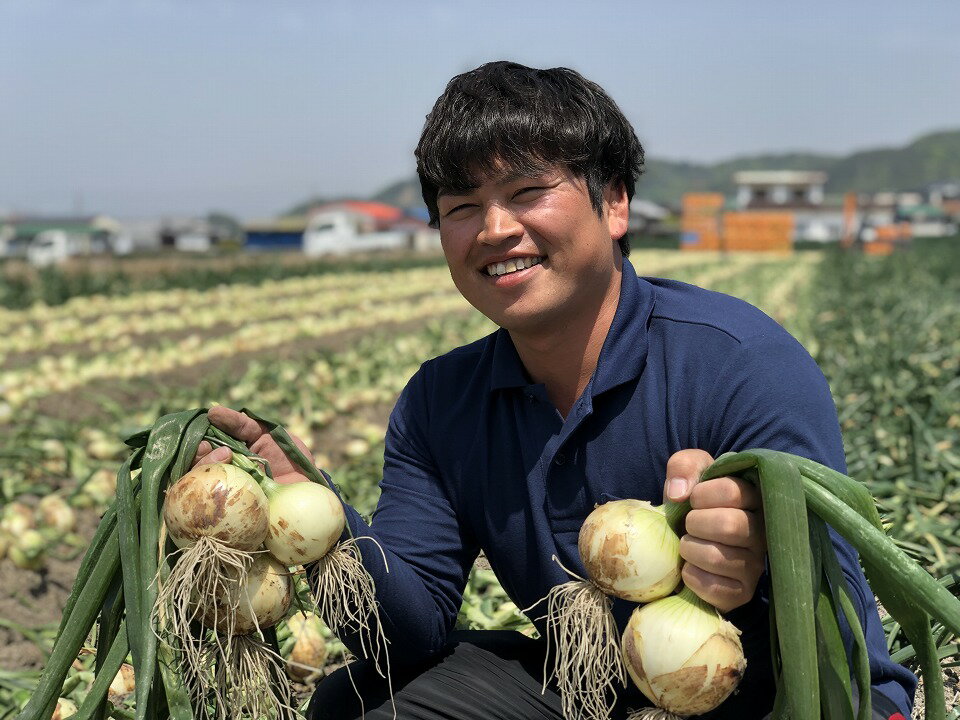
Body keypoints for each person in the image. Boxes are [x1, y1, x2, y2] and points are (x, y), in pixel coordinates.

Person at [194, 62, 916, 719]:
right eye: (462, 207)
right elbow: (403, 637)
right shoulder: (439, 401)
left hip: (775, 697)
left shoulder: (739, 362)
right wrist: (319, 525)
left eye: (528, 192)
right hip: (600, 687)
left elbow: (840, 637)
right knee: (350, 702)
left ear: (617, 204)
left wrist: (758, 570)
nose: (496, 229)